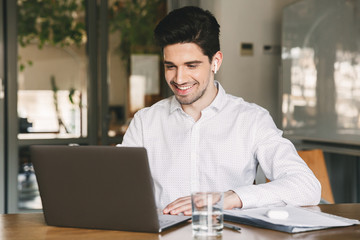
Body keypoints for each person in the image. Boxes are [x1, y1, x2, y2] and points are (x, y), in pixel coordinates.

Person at [122, 6, 321, 216]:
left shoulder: (252, 120)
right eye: (170, 66)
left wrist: (231, 198)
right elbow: (115, 186)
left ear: (215, 61)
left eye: (191, 65)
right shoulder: (145, 122)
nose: (179, 79)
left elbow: (307, 186)